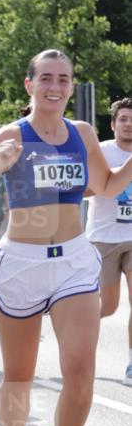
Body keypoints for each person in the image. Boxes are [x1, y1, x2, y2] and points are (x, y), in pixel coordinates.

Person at [0, 50, 132, 426]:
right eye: (46, 78)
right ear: (29, 83)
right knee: (19, 374)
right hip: (22, 262)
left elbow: (109, 185)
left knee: (81, 371)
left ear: (73, 85)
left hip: (75, 261)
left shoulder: (83, 133)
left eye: (64, 79)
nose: (55, 86)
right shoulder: (10, 135)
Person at [86, 97, 132, 384]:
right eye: (123, 119)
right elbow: (84, 190)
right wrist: (110, 184)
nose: (129, 124)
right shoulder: (100, 151)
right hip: (103, 239)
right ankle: (75, 333)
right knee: (109, 306)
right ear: (113, 124)